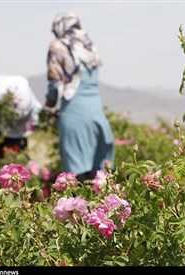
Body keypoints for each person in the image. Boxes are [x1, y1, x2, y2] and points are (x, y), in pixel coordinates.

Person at [45, 12, 114, 182]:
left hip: (74, 112)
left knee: (76, 176)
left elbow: (54, 85)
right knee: (99, 175)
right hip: (96, 113)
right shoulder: (89, 46)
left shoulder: (57, 46)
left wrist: (49, 107)